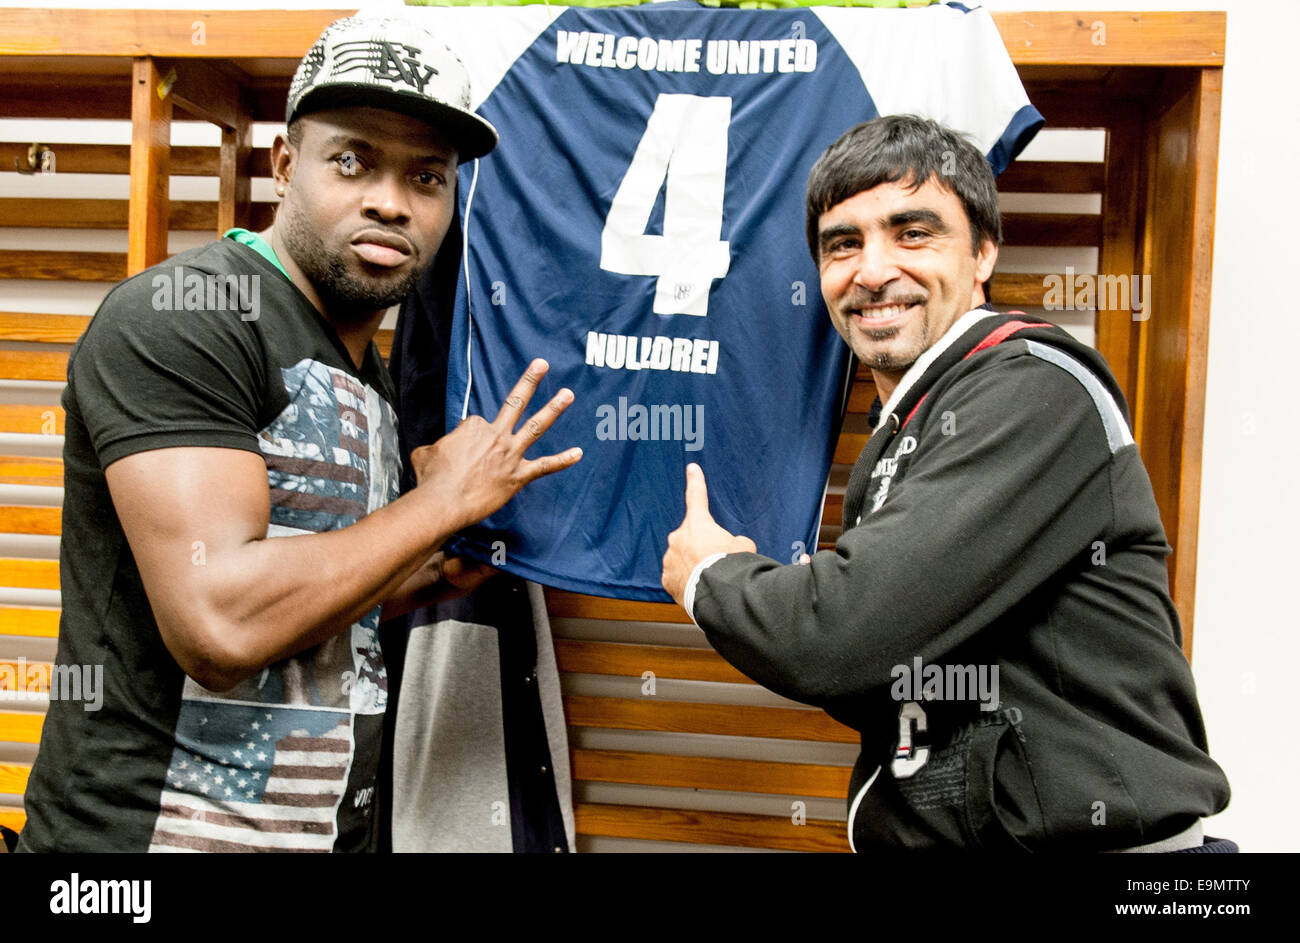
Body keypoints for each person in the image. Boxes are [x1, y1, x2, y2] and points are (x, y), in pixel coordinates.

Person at [17, 15, 581, 853]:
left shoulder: (366, 372)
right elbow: (222, 625)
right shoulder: (186, 319)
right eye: (353, 160)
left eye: (426, 177)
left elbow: (308, 589)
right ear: (285, 164)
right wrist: (439, 501)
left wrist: (421, 571)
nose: (390, 201)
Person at [660, 114, 1231, 852]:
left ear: (985, 250)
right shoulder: (919, 421)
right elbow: (877, 673)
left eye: (913, 232)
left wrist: (711, 575)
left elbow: (837, 640)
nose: (871, 270)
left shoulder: (1031, 389)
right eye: (843, 244)